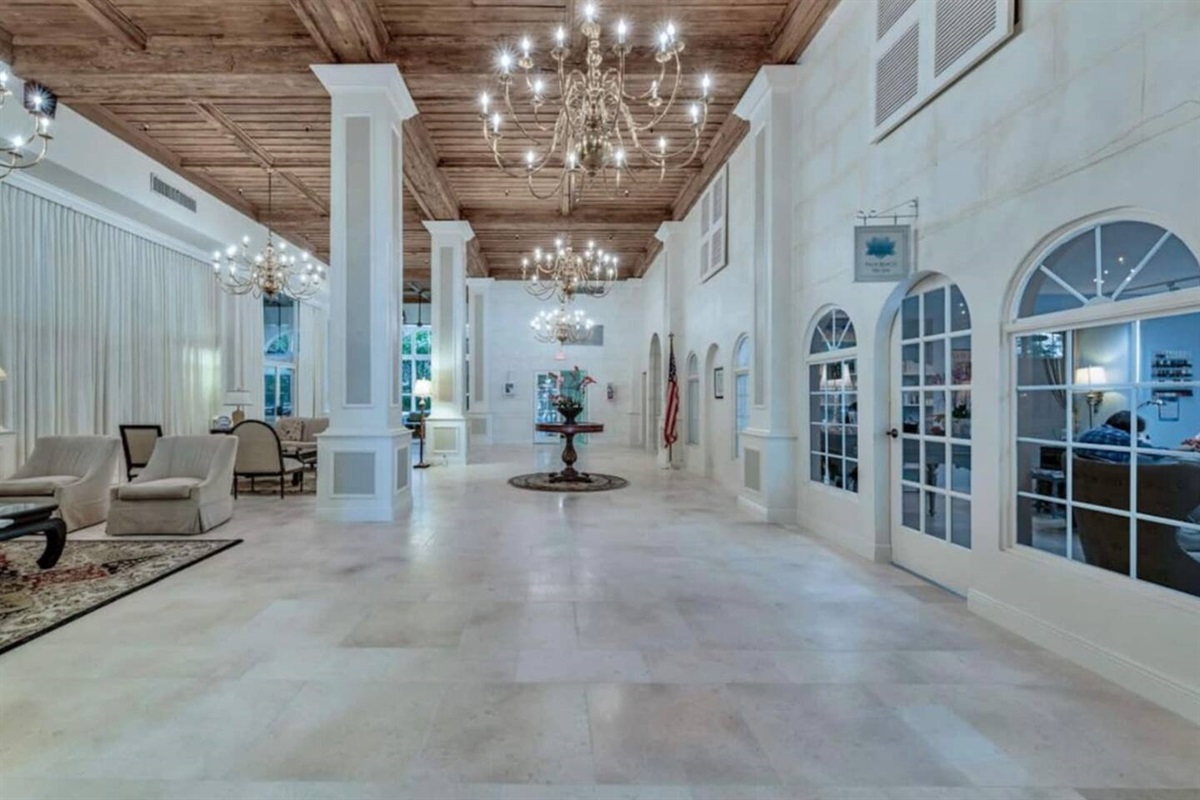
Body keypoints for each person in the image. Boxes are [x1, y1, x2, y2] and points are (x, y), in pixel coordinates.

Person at [1077, 411, 1147, 463]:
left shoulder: (1088, 432)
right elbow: (1155, 454)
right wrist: (1142, 440)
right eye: (1137, 432)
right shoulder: (1122, 438)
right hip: (1115, 480)